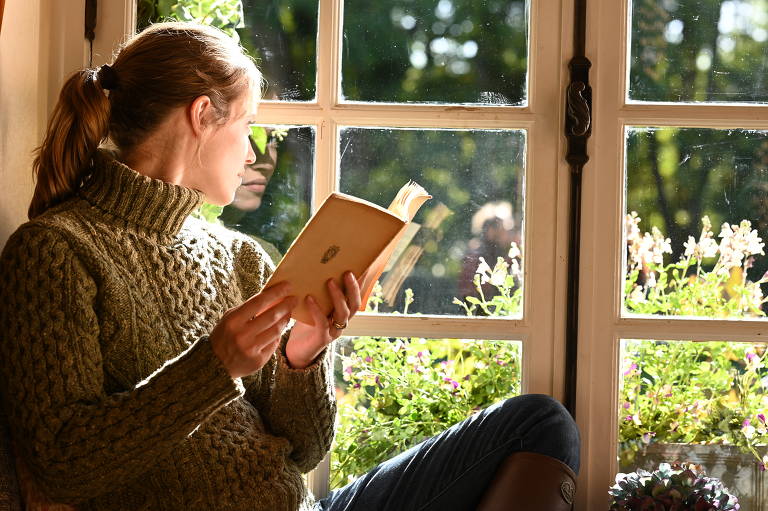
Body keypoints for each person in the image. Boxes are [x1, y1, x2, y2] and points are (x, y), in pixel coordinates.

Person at [0, 21, 579, 511]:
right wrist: (212, 366)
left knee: (540, 424)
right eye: (246, 125)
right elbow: (61, 466)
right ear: (202, 115)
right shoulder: (54, 252)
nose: (253, 153)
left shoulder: (237, 256)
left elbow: (302, 451)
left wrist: (303, 354)